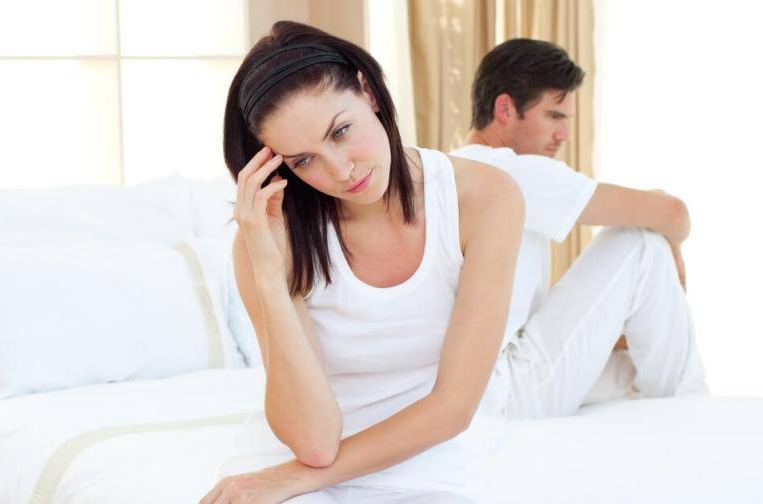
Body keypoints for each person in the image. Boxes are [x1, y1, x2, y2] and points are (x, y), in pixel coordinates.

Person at [201, 21, 523, 503]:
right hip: (286, 458)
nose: (340, 170)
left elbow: (454, 407)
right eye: (303, 160)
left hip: (414, 465)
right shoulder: (269, 238)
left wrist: (295, 479)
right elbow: (314, 442)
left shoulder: (483, 199)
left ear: (368, 91)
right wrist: (269, 275)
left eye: (341, 131)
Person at [450, 38, 709, 420]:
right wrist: (675, 250)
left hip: (482, 384)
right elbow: (672, 212)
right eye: (554, 116)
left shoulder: (454, 166)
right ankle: (698, 415)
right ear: (505, 109)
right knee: (640, 242)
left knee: (634, 364)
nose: (563, 134)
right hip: (503, 392)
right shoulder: (511, 172)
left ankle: (680, 410)